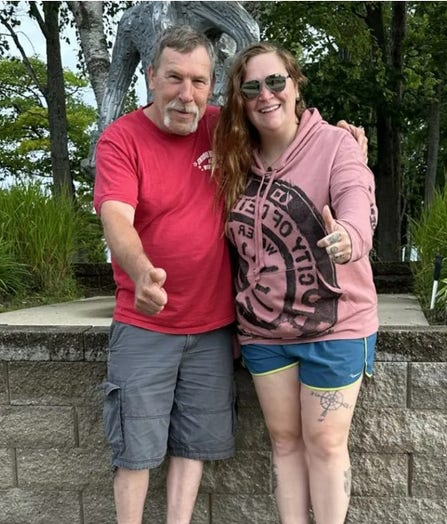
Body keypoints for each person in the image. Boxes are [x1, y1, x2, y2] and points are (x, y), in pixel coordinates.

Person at [94, 27, 367, 524]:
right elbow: (116, 217)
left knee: (194, 445)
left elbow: (336, 177)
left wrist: (346, 155)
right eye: (174, 78)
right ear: (151, 77)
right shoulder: (125, 139)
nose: (186, 93)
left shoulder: (224, 130)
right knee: (136, 448)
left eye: (199, 81)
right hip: (153, 324)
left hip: (217, 328)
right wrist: (140, 271)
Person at [212, 43, 379, 524]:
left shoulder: (335, 145)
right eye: (251, 88)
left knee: (324, 443)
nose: (265, 95)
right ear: (241, 100)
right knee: (284, 443)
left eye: (275, 82)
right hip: (264, 335)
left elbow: (355, 196)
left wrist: (349, 236)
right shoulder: (233, 160)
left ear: (295, 84)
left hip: (335, 326)